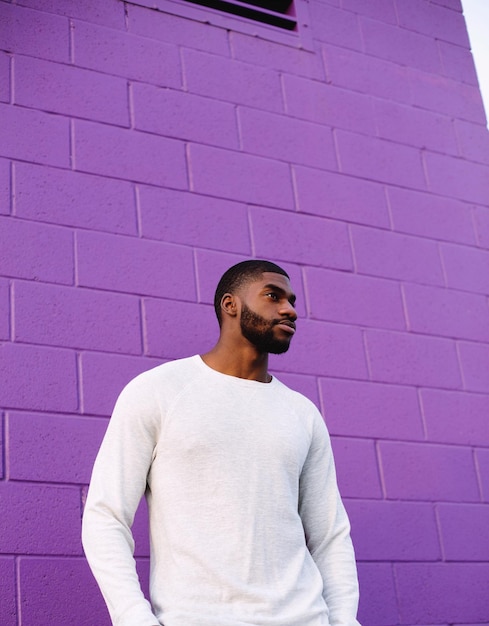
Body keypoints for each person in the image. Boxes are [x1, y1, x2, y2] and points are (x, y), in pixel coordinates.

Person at [82, 259, 361, 626]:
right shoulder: (158, 391)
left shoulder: (302, 413)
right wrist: (135, 619)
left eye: (291, 300)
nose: (290, 309)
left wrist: (343, 622)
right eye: (273, 296)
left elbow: (330, 535)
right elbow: (105, 517)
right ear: (230, 305)